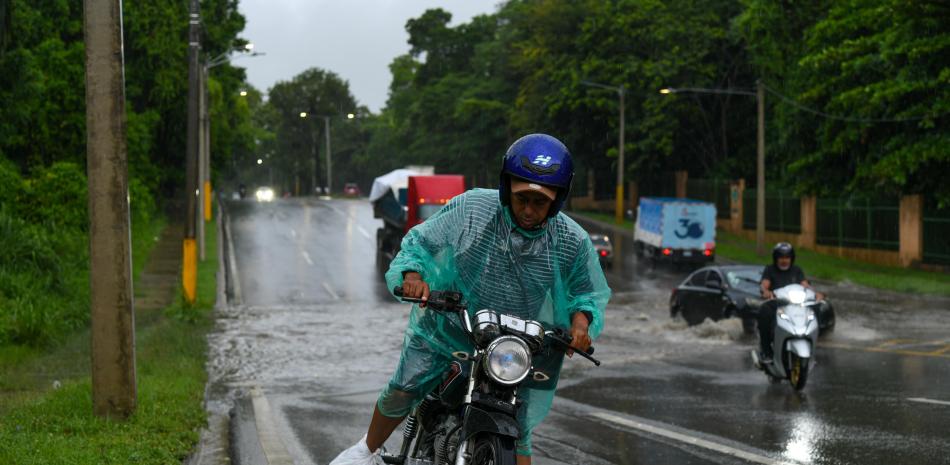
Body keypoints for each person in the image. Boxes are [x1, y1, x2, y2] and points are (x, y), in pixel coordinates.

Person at [330, 134, 611, 465]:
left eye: (540, 203)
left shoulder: (569, 240)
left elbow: (587, 293)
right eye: (522, 199)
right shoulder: (473, 209)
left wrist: (580, 325)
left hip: (516, 343)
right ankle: (366, 450)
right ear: (507, 188)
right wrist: (413, 277)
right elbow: (420, 242)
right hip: (451, 326)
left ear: (557, 200)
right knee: (405, 387)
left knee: (519, 428)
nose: (529, 210)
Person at [757, 242, 824, 362]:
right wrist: (765, 291)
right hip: (777, 304)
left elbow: (805, 285)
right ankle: (766, 350)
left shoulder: (797, 270)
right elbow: (764, 284)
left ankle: (813, 343)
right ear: (776, 258)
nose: (784, 260)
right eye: (781, 257)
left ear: (791, 258)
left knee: (817, 308)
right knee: (764, 311)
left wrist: (815, 294)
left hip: (796, 304)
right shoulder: (770, 269)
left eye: (787, 257)